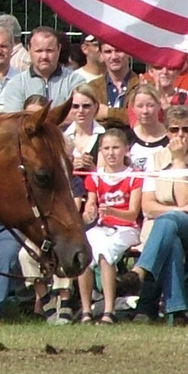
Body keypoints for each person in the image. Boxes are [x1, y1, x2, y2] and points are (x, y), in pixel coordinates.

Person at [134, 105, 188, 324]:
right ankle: (177, 311)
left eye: (186, 129)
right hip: (164, 224)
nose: (180, 135)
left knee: (168, 223)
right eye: (174, 130)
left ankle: (139, 273)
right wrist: (175, 210)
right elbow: (148, 206)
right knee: (170, 233)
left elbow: (186, 199)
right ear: (166, 130)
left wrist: (179, 161)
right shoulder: (155, 159)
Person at [78, 126, 142, 324]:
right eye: (106, 149)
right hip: (103, 226)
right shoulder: (96, 176)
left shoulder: (134, 176)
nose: (111, 153)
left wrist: (112, 211)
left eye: (115, 148)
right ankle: (86, 310)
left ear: (125, 150)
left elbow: (133, 212)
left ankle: (108, 309)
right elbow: (91, 202)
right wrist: (90, 211)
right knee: (84, 253)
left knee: (105, 253)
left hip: (127, 228)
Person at [0, 27, 88, 111]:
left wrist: (35, 116)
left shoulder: (75, 81)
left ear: (59, 49)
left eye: (49, 51)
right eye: (39, 51)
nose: (44, 56)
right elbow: (15, 121)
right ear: (29, 49)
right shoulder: (16, 85)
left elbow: (79, 115)